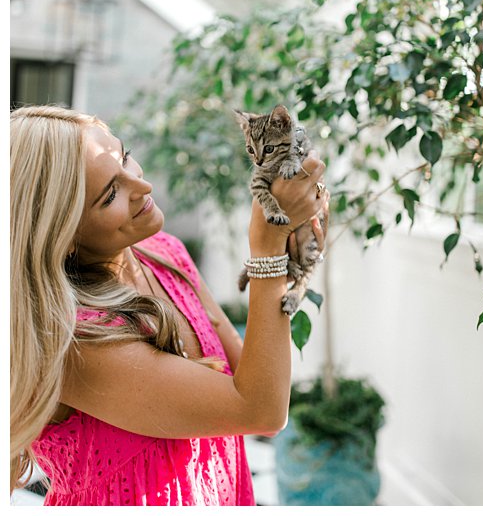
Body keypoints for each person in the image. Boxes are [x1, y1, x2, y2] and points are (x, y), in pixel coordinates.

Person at [10, 105, 329, 505]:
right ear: (64, 234)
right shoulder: (73, 340)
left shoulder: (165, 253)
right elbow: (259, 410)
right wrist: (267, 245)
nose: (141, 186)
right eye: (110, 194)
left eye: (125, 156)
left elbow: (257, 386)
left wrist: (289, 250)